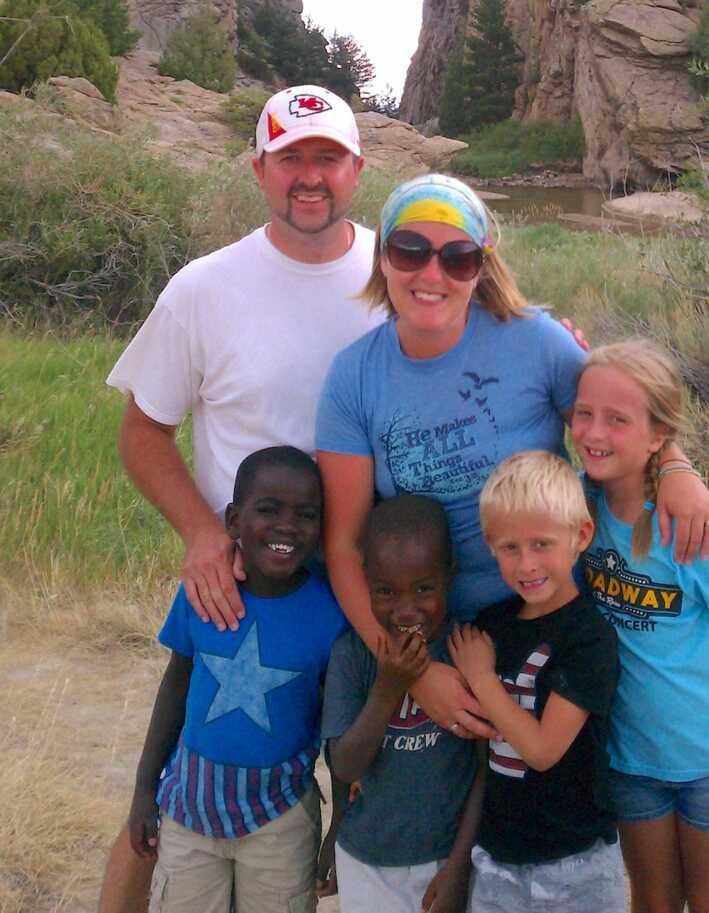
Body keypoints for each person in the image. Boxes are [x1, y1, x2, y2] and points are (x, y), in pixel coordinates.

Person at [101, 84, 378, 913]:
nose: (309, 176)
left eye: (327, 156)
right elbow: (141, 432)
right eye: (290, 156)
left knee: (352, 781)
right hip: (238, 586)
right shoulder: (204, 287)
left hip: (362, 589)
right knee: (181, 782)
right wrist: (198, 533)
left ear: (356, 169)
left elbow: (507, 327)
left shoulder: (397, 270)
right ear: (259, 168)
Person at [315, 173, 709, 737]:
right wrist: (414, 671)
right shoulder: (354, 377)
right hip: (436, 635)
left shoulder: (534, 341)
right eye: (410, 251)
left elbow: (624, 414)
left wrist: (675, 465)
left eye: (457, 257)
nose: (432, 274)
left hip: (555, 619)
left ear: (479, 268)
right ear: (382, 258)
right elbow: (344, 545)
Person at [569, 341, 709, 913]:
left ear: (657, 436)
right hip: (632, 757)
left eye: (618, 420)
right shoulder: (575, 507)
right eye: (584, 413)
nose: (594, 431)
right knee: (652, 901)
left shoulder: (690, 528)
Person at [127, 446, 346, 913]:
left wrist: (339, 827)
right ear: (232, 520)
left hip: (280, 817)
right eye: (268, 510)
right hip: (190, 810)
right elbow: (174, 688)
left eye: (306, 514)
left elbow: (337, 727)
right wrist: (145, 788)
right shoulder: (204, 594)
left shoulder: (329, 614)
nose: (287, 525)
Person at [449, 450, 624, 913]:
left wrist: (483, 679)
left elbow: (544, 751)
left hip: (577, 863)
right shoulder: (490, 627)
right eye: (510, 548)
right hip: (498, 860)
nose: (527, 565)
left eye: (541, 544)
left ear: (580, 535)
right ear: (489, 545)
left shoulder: (588, 636)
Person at [321, 495, 485, 913]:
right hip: (366, 860)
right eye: (386, 591)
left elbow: (487, 768)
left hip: (446, 858)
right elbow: (345, 766)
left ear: (451, 576)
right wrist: (390, 685)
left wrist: (460, 865)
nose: (406, 609)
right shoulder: (354, 655)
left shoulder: (466, 651)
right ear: (365, 582)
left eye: (424, 589)